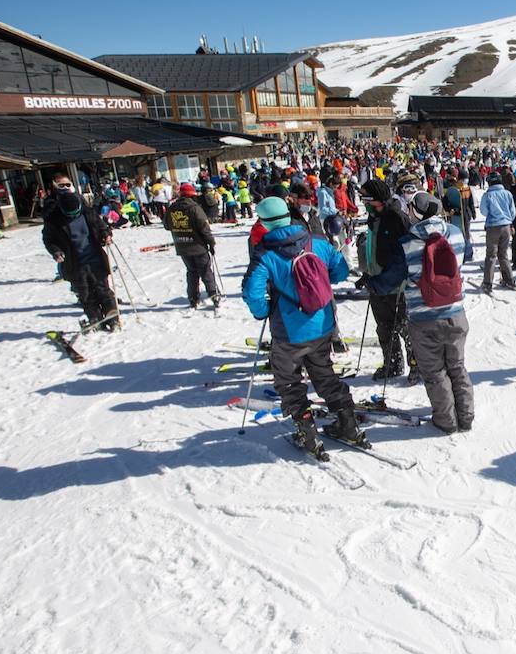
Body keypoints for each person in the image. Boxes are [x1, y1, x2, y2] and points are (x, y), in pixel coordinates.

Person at [242, 196, 365, 455]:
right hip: (322, 323)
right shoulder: (316, 241)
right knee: (324, 373)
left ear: (264, 222)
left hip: (289, 331)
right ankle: (348, 424)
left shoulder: (265, 253)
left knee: (288, 380)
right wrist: (321, 281)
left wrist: (264, 310)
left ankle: (307, 433)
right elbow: (341, 270)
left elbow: (252, 292)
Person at [401, 192, 474, 434]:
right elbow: (463, 260)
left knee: (434, 372)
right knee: (457, 366)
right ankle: (466, 417)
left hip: (423, 316)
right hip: (455, 312)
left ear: (415, 212)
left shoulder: (408, 241)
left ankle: (446, 420)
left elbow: (402, 275)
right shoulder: (454, 233)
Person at [357, 179, 414, 381]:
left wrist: (382, 281)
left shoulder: (396, 218)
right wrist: (369, 274)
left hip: (396, 286)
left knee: (405, 327)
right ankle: (392, 363)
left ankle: (416, 365)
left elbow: (403, 259)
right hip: (377, 283)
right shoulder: (374, 217)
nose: (362, 202)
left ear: (378, 199)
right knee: (384, 328)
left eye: (365, 198)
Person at [41, 188, 119, 330]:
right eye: (70, 215)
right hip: (74, 263)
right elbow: (49, 239)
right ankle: (94, 317)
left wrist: (106, 234)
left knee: (103, 288)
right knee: (85, 293)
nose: (74, 216)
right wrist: (56, 251)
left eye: (76, 213)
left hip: (95, 258)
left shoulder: (88, 212)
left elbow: (102, 226)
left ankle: (112, 317)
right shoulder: (53, 220)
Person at [164, 181, 222, 309]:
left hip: (182, 246)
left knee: (192, 272)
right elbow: (204, 228)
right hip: (198, 246)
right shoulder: (194, 208)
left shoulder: (172, 208)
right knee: (205, 270)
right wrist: (211, 242)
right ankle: (213, 294)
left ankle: (193, 297)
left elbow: (167, 225)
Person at [478, 172, 516, 293]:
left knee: (491, 256)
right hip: (506, 226)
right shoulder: (507, 194)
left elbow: (484, 211)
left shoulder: (488, 195)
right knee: (503, 254)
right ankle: (509, 279)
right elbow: (513, 212)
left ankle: (488, 283)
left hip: (493, 227)